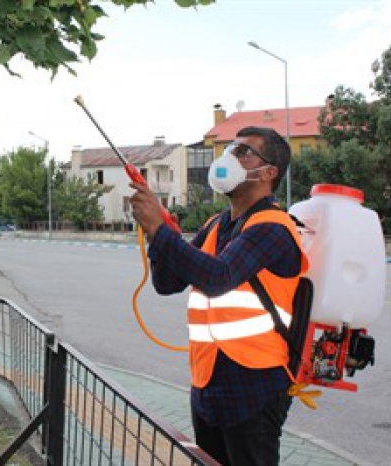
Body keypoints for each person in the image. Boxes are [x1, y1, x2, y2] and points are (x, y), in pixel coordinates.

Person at [130, 126, 308, 466]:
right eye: (229, 150)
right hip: (208, 377)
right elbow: (167, 282)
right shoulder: (216, 224)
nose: (229, 158)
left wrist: (161, 232)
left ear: (269, 172)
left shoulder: (274, 227)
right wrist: (159, 234)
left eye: (243, 152)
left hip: (254, 380)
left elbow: (218, 278)